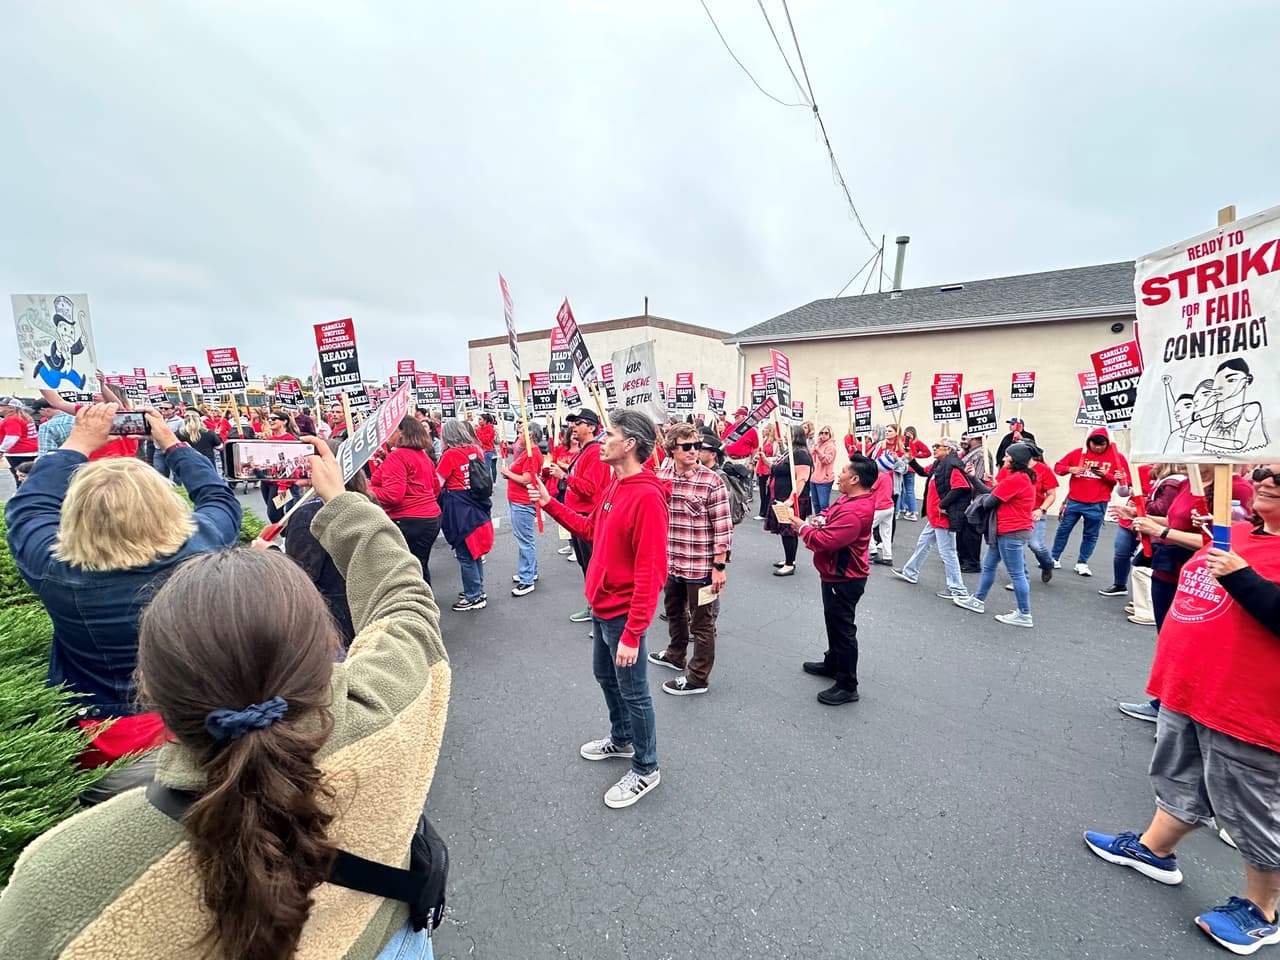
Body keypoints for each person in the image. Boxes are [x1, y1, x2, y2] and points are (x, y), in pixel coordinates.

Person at [0, 440, 449, 960]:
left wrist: (73, 445)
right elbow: (405, 602)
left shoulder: (55, 879)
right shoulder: (387, 706)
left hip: (108, 745)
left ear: (152, 687)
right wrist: (342, 501)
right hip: (385, 941)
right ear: (324, 652)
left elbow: (27, 514)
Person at [1083, 464, 1280, 956]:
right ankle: (1155, 850)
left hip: (1248, 709)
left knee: (1252, 811)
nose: (1266, 479)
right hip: (1191, 691)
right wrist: (1159, 529)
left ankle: (1263, 910)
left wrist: (1242, 578)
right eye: (1264, 471)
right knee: (1180, 780)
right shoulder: (1241, 535)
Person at [2, 403, 241, 802]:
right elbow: (217, 497)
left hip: (100, 737)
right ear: (165, 505)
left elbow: (28, 508)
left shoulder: (52, 567)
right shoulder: (204, 543)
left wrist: (78, 443)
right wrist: (171, 443)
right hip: (191, 722)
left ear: (73, 515)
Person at [533, 409, 669, 809]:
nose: (601, 440)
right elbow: (590, 528)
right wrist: (550, 504)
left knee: (635, 692)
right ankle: (622, 738)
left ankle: (646, 767)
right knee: (605, 676)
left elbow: (651, 572)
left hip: (623, 613)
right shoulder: (616, 485)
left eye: (609, 434)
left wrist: (633, 633)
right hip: (602, 605)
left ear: (630, 444)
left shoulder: (647, 496)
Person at [648, 423, 732, 696]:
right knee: (673, 612)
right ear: (672, 449)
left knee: (702, 624)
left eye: (696, 446)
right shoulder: (661, 475)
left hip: (701, 566)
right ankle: (676, 654)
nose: (693, 451)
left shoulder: (711, 480)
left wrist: (719, 566)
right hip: (671, 561)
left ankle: (698, 678)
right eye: (687, 446)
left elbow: (723, 527)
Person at [793, 455, 877, 705]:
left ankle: (847, 684)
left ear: (855, 478)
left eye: (843, 472)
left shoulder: (856, 511)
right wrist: (820, 519)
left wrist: (802, 528)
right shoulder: (849, 499)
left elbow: (825, 541)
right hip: (834, 573)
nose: (838, 476)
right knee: (833, 622)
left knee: (843, 630)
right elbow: (830, 512)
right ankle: (833, 663)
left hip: (844, 577)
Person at [953, 442, 1038, 627]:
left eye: (1007, 456)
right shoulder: (1020, 477)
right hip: (1005, 530)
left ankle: (1024, 614)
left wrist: (986, 494)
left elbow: (989, 500)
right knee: (989, 565)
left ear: (1015, 460)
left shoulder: (1017, 479)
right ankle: (978, 600)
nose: (1004, 459)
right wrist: (973, 478)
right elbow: (991, 493)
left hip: (1011, 531)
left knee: (1017, 574)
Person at [547, 409, 613, 623]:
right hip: (579, 516)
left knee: (593, 567)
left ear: (591, 427)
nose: (573, 427)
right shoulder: (585, 451)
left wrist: (564, 476)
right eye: (572, 423)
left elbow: (590, 488)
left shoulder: (594, 452)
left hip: (587, 517)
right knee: (586, 566)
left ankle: (599, 611)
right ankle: (593, 606)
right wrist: (566, 469)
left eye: (578, 423)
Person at [892, 437, 971, 599]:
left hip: (943, 517)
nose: (934, 448)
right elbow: (923, 472)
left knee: (948, 552)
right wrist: (911, 459)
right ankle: (910, 572)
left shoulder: (952, 465)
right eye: (934, 445)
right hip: (935, 516)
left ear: (948, 449)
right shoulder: (939, 464)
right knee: (923, 543)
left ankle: (957, 588)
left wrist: (943, 504)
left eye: (937, 446)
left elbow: (961, 487)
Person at [368, 415, 443, 585]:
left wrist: (367, 490)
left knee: (407, 572)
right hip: (429, 518)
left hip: (408, 520)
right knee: (419, 567)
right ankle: (425, 597)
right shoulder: (422, 456)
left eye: (391, 430)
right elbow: (435, 488)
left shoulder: (398, 457)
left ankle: (416, 599)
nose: (387, 435)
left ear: (401, 433)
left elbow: (392, 495)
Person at [1051, 427, 1131, 577]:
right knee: (1063, 530)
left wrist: (1106, 475)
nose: (1098, 448)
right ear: (1089, 442)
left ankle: (1082, 562)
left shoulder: (1117, 457)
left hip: (1098, 503)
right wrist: (1071, 469)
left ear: (1107, 443)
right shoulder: (1078, 453)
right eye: (1095, 444)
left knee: (1091, 535)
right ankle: (1054, 557)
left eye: (1102, 445)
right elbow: (1058, 468)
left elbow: (1125, 483)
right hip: (1074, 500)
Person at [437, 419, 493, 611]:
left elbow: (438, 483)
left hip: (459, 508)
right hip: (477, 503)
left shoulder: (450, 455)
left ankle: (473, 596)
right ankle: (477, 588)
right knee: (474, 552)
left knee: (465, 554)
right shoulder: (476, 449)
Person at [500, 421, 544, 596]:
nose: (518, 436)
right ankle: (529, 571)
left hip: (523, 501)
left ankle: (527, 579)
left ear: (530, 435)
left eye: (520, 433)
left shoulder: (532, 454)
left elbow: (527, 479)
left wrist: (508, 473)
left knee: (525, 540)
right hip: (518, 500)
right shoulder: (527, 452)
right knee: (524, 539)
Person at [763, 424, 813, 577]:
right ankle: (790, 559)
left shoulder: (801, 454)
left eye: (788, 434)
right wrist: (765, 460)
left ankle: (789, 564)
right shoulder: (789, 452)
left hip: (792, 498)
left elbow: (802, 478)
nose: (784, 436)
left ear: (795, 436)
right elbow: (778, 468)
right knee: (788, 531)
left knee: (789, 531)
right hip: (781, 495)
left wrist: (792, 499)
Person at [956, 433, 991, 573]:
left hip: (974, 498)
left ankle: (972, 562)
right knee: (963, 530)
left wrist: (969, 496)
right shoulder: (971, 453)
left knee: (971, 531)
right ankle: (964, 558)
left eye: (968, 437)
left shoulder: (981, 454)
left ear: (975, 438)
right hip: (966, 496)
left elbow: (978, 479)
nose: (965, 440)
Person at [868, 446, 897, 566]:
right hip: (889, 507)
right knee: (886, 532)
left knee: (867, 528)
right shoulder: (888, 476)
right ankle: (887, 556)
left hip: (880, 507)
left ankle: (873, 552)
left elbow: (871, 489)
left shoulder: (879, 477)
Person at [1, 396, 39, 482]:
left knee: (20, 479)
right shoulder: (24, 417)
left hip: (18, 452)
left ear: (11, 408)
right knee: (30, 478)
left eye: (2, 405)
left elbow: (12, 437)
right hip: (31, 450)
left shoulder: (12, 419)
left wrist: (1, 450)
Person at [896, 426, 931, 520]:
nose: (908, 435)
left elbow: (927, 453)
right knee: (904, 489)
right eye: (907, 432)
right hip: (909, 467)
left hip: (907, 467)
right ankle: (906, 508)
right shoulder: (906, 441)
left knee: (905, 489)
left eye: (910, 433)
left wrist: (916, 456)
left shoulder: (909, 442)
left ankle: (905, 510)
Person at [150, 399, 188, 477]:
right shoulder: (157, 419)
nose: (163, 410)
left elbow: (183, 435)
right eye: (161, 408)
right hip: (159, 449)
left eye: (166, 408)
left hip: (173, 449)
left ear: (173, 410)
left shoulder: (180, 421)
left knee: (176, 472)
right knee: (159, 472)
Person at [752, 421, 777, 521]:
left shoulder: (775, 443)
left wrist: (767, 459)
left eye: (765, 429)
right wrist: (757, 457)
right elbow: (760, 452)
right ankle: (763, 512)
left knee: (768, 492)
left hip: (769, 469)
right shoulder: (764, 441)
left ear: (770, 430)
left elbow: (777, 456)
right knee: (762, 492)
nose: (763, 430)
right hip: (761, 468)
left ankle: (766, 513)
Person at [809, 425, 838, 512]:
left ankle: (825, 519)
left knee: (823, 505)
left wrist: (818, 451)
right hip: (813, 478)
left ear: (830, 434)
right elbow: (809, 456)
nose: (823, 435)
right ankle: (818, 519)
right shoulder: (818, 445)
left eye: (826, 433)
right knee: (815, 503)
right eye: (821, 433)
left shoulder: (831, 446)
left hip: (824, 480)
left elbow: (826, 460)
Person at [476, 411, 498, 481]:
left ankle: (489, 483)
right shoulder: (479, 428)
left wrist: (479, 434)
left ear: (485, 421)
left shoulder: (490, 429)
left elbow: (486, 440)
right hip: (480, 450)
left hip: (487, 451)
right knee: (481, 469)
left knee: (487, 469)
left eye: (480, 419)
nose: (478, 421)